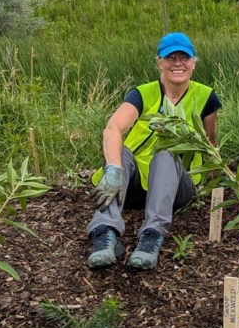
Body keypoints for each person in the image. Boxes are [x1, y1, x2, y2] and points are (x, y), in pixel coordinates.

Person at [87, 32, 221, 269]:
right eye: (170, 57)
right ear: (159, 61)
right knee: (123, 153)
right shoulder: (142, 94)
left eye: (184, 57)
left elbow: (210, 140)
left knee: (166, 152)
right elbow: (113, 128)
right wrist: (114, 169)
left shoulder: (206, 97)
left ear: (194, 62)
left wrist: (214, 181)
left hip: (177, 187)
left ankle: (152, 236)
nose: (177, 63)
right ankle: (105, 234)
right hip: (132, 187)